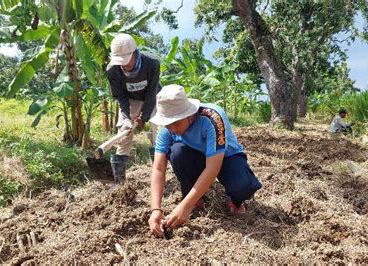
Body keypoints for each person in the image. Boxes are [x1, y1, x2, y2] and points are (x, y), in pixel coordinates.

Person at [147, 84, 262, 237]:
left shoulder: (212, 118)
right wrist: (156, 209)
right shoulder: (167, 132)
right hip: (196, 157)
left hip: (227, 157)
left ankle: (235, 200)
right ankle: (197, 200)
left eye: (176, 123)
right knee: (178, 153)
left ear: (188, 114)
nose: (172, 128)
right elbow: (158, 169)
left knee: (243, 187)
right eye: (168, 124)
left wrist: (184, 206)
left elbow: (212, 168)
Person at [107, 33, 161, 181]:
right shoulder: (113, 70)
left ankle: (158, 174)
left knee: (159, 132)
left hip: (153, 97)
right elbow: (120, 96)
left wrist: (144, 118)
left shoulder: (152, 64)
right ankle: (118, 181)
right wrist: (125, 117)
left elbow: (152, 93)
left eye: (127, 60)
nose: (124, 65)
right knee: (124, 135)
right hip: (130, 100)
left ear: (135, 52)